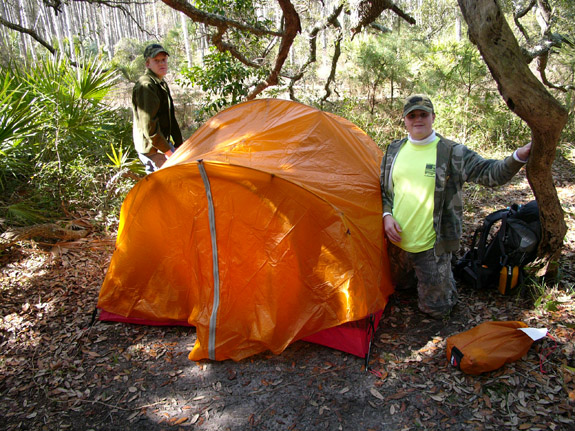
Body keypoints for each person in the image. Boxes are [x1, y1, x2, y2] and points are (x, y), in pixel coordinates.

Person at [380, 94, 531, 319]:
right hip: (397, 243)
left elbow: (492, 174)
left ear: (433, 117)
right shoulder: (394, 151)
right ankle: (418, 278)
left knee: (438, 310)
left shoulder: (452, 153)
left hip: (432, 245)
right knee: (399, 288)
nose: (418, 119)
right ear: (404, 120)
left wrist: (519, 156)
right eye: (412, 115)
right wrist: (386, 214)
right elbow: (384, 190)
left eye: (423, 114)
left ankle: (443, 277)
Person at [132, 43, 183, 174]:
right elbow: (149, 127)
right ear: (147, 64)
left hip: (161, 144)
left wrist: (179, 144)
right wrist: (168, 151)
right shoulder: (146, 85)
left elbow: (170, 117)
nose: (161, 64)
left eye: (163, 60)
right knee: (164, 184)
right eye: (156, 61)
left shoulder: (160, 82)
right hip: (152, 149)